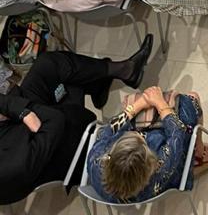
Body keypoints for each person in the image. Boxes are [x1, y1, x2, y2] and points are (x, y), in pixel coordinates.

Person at [0, 40, 153, 205]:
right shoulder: (12, 168)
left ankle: (119, 74)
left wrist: (22, 112)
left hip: (19, 124)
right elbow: (55, 121)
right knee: (69, 84)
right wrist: (27, 113)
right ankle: (106, 80)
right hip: (56, 149)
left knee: (48, 65)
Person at [87, 85, 208, 204]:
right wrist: (160, 104)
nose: (139, 135)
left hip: (133, 195)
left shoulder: (95, 164)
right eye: (141, 140)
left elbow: (105, 131)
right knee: (192, 100)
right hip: (168, 177)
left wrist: (137, 106)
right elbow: (178, 134)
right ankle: (198, 151)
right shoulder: (159, 169)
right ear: (150, 165)